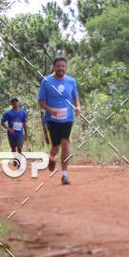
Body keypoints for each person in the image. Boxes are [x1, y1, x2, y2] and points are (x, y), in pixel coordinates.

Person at [37, 56, 80, 185]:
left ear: (65, 67)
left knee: (65, 144)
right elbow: (40, 101)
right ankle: (52, 157)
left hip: (68, 119)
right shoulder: (46, 82)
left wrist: (78, 106)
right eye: (58, 66)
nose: (60, 68)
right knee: (55, 147)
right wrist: (50, 110)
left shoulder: (71, 81)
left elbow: (75, 96)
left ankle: (64, 175)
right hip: (52, 120)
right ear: (54, 67)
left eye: (63, 66)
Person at [0, 98, 28, 167]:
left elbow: (24, 123)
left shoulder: (22, 112)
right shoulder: (8, 113)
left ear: (18, 103)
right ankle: (15, 159)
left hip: (20, 133)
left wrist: (26, 133)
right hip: (11, 133)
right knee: (13, 148)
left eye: (16, 102)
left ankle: (19, 161)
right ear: (11, 104)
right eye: (13, 102)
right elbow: (2, 123)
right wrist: (8, 129)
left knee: (19, 147)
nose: (15, 103)